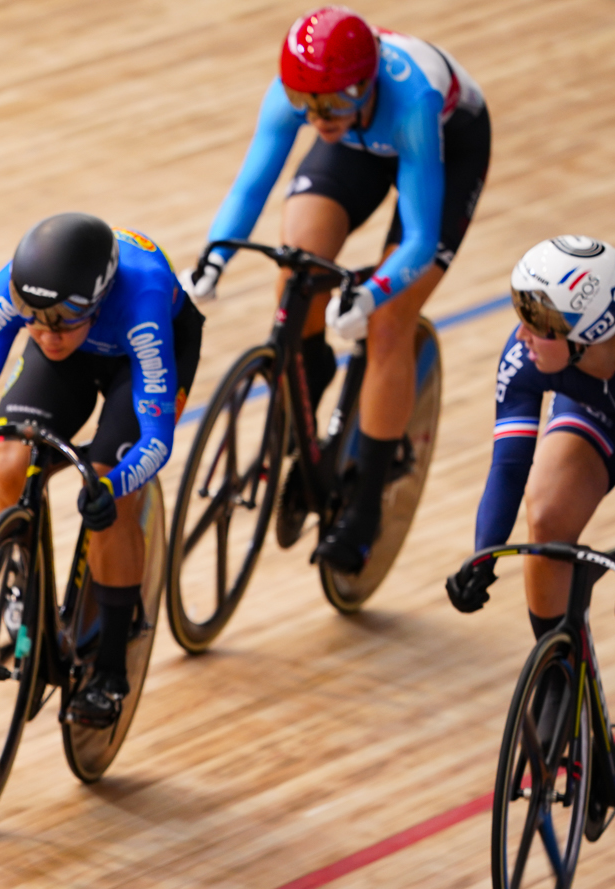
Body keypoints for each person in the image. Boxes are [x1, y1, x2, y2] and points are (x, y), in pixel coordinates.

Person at [187, 6, 489, 572]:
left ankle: (367, 504)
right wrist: (214, 258)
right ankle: (313, 364)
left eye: (329, 103)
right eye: (307, 104)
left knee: (388, 322)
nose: (317, 116)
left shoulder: (414, 98)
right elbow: (252, 185)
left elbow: (419, 239)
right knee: (297, 264)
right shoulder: (309, 96)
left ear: (365, 83)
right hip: (361, 140)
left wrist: (373, 292)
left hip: (440, 144)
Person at [447, 237, 615, 820]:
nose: (522, 333)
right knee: (548, 516)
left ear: (590, 332)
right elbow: (509, 469)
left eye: (539, 324)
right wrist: (482, 557)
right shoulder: (529, 356)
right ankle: (559, 669)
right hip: (599, 409)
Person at [0, 213, 201, 727]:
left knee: (109, 498)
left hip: (140, 359)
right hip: (78, 359)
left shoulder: (143, 299)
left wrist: (115, 482)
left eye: (64, 317)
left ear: (96, 300)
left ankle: (112, 670)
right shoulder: (18, 299)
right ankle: (27, 582)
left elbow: (157, 438)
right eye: (34, 317)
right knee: (9, 462)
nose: (47, 333)